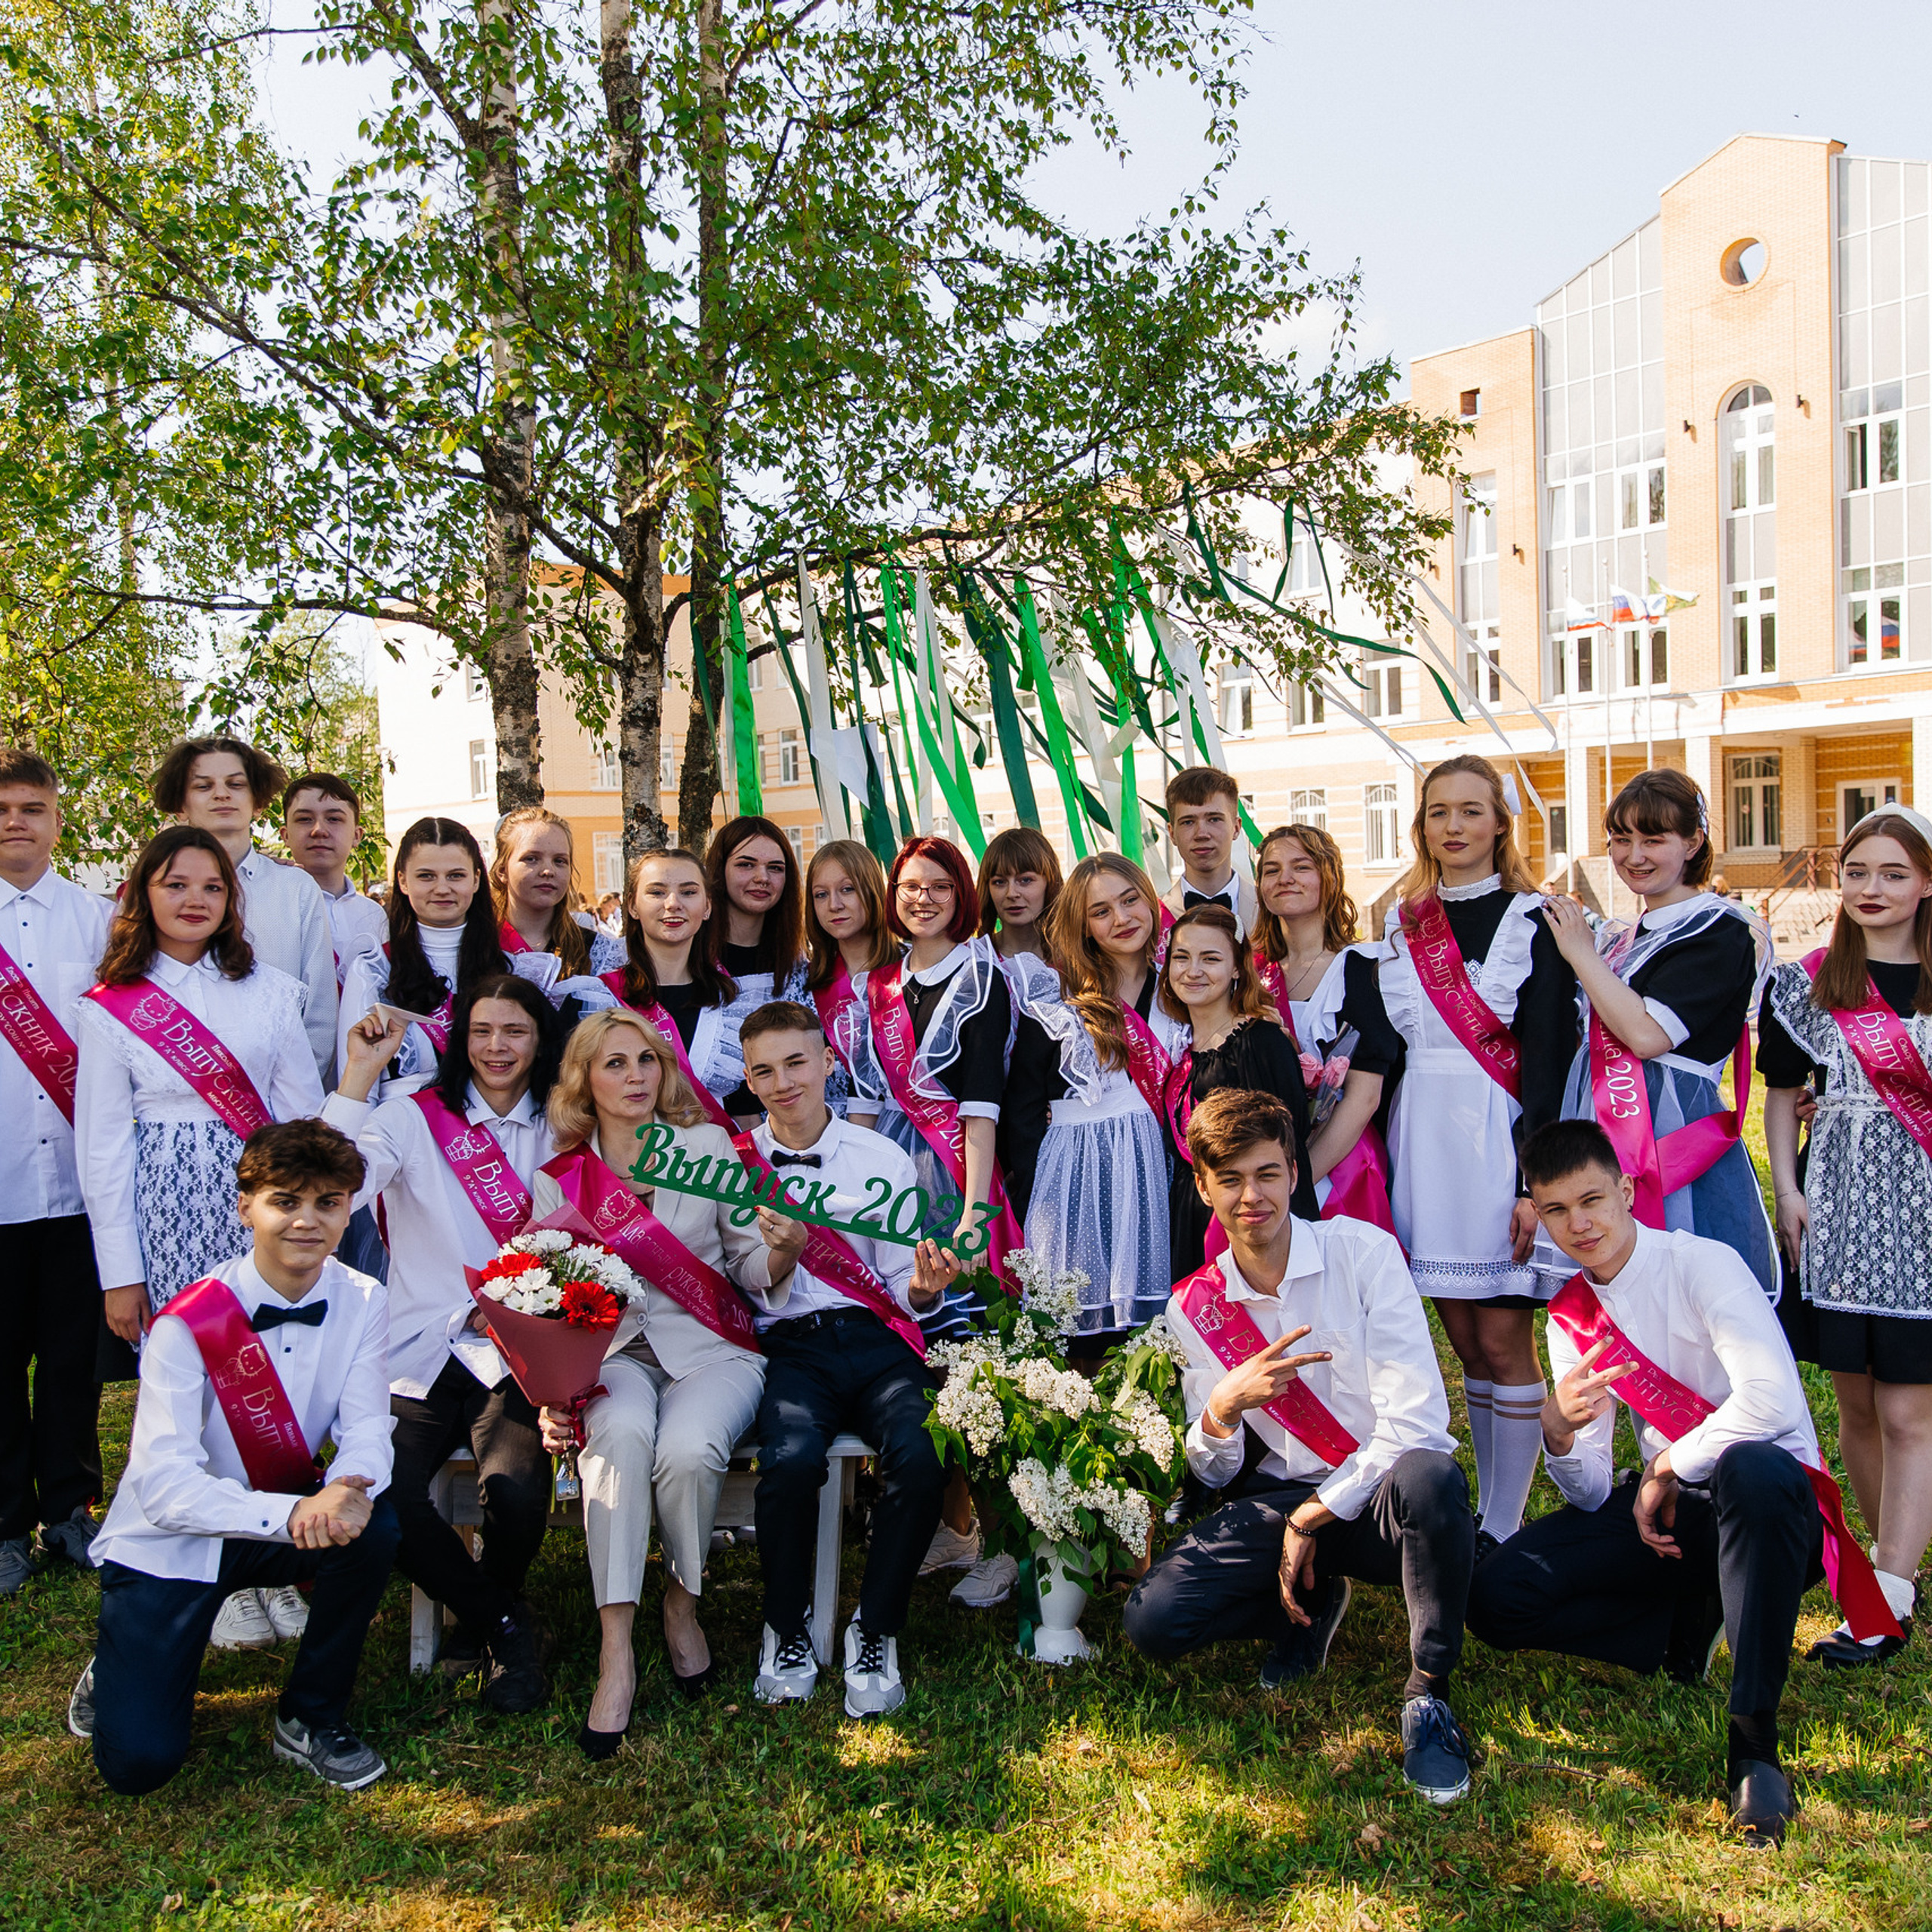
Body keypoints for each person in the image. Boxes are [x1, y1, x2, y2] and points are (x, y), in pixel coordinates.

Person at [1469, 1120, 1897, 1848]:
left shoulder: (1704, 1263)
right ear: (1538, 1216)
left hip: (1771, 1516)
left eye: (1593, 1201)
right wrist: (1559, 1431)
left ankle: (1753, 1743)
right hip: (1671, 1518)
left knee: (1752, 1466)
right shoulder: (1572, 1312)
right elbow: (1591, 1488)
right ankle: (1682, 1630)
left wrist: (1668, 1464)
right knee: (1497, 1597)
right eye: (1557, 1211)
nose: (1580, 1225)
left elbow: (1772, 1403)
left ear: (1627, 1191)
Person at [1122, 1090, 1476, 1807]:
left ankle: (1428, 1695)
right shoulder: (1193, 1306)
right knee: (1153, 1621)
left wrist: (1315, 1514)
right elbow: (1211, 1467)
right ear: (1203, 1186)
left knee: (1435, 1479)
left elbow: (1419, 1424)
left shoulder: (1365, 1254)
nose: (1251, 1196)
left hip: (1376, 1497)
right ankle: (1309, 1607)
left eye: (1267, 1174)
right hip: (1276, 1499)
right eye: (1230, 1180)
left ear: (1293, 1172)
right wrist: (1222, 1409)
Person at [67, 1119, 398, 1795]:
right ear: (246, 1206)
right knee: (139, 1765)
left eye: (328, 1203)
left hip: (282, 1517)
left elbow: (367, 1426)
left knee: (377, 1528)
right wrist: (299, 1511)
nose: (307, 1221)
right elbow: (164, 1489)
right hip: (173, 1541)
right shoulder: (187, 1323)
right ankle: (121, 1656)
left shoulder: (364, 1299)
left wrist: (348, 1487)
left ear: (347, 1209)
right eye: (286, 1201)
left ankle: (309, 1717)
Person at [529, 1010, 799, 1754]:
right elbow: (540, 1296)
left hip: (712, 1348)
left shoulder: (707, 1146)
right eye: (614, 1063)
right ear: (585, 1078)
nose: (635, 1077)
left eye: (646, 1060)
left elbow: (747, 1265)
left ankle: (682, 1602)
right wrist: (554, 1391)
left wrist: (784, 1252)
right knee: (616, 1433)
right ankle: (615, 1648)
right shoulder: (560, 1175)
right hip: (612, 1352)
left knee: (686, 1447)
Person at [322, 974, 562, 1713]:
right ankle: (500, 1622)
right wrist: (359, 1075)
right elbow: (332, 1184)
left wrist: (531, 1308)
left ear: (540, 1042)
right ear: (459, 1039)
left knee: (519, 1497)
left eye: (515, 1031)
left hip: (514, 1350)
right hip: (417, 1347)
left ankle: (483, 1611)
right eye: (482, 1030)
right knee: (375, 1490)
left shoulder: (564, 1123)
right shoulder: (409, 1117)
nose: (497, 1046)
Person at [736, 1001, 961, 1718]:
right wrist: (782, 1256)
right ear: (747, 1078)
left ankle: (877, 1626)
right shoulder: (733, 1164)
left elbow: (901, 1285)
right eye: (764, 1070)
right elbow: (740, 1280)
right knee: (791, 1459)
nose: (783, 1082)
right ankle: (786, 1625)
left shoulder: (881, 1158)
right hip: (789, 1344)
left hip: (873, 1340)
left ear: (828, 1062)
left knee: (923, 1453)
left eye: (796, 1062)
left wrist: (923, 1292)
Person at [1377, 754, 1578, 1546]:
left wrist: (1537, 1178)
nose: (1453, 827)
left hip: (1499, 1139)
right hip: (1423, 1140)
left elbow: (1551, 1051)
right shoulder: (1402, 922)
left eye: (1469, 810)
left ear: (1500, 821)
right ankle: (1492, 1510)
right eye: (1437, 812)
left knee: (1502, 1336)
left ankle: (1500, 1520)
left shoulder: (1537, 918)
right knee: (1463, 1335)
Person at [1761, 805, 1932, 1664]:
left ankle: (1887, 1595)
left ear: (1926, 882)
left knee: (1909, 1406)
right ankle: (1891, 1566)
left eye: (1893, 873)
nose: (1872, 888)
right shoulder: (1808, 983)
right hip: (1832, 1208)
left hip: (1922, 1215)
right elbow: (1784, 1095)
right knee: (1855, 1400)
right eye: (1858, 871)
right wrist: (1786, 1189)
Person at [1535, 769, 1776, 1299]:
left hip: (1670, 1131)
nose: (1634, 856)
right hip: (1603, 1121)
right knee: (1614, 1288)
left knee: (1679, 1289)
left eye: (1653, 839)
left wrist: (1579, 952)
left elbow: (1647, 1036)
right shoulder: (1625, 935)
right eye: (1621, 840)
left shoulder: (1720, 928)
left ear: (1692, 842)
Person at [0, 749, 112, 1595]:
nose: (16, 822)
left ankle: (71, 1508)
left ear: (57, 820)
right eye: (3, 809)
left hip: (79, 1186)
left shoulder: (99, 920)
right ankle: (6, 1523)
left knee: (73, 1357)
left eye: (32, 808)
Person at [1003, 853, 1183, 1355]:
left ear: (1150, 901)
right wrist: (1045, 1191)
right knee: (1079, 1335)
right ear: (1083, 926)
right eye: (1101, 911)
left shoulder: (1185, 978)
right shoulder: (1058, 997)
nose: (1122, 919)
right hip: (1080, 1184)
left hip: (1169, 1178)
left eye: (1130, 901)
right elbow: (1024, 1105)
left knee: (1166, 1330)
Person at [152, 735, 337, 1084]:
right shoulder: (155, 891)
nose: (221, 794)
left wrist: (293, 1099)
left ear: (258, 802)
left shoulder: (295, 890)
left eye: (236, 784)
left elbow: (319, 1013)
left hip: (281, 1103)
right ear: (181, 805)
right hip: (182, 1092)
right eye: (203, 786)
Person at [1251, 822, 1401, 1236]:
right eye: (1271, 869)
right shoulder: (1253, 973)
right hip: (1267, 1159)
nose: (1285, 878)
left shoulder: (1360, 968)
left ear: (1328, 878)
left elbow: (1364, 1096)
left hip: (1342, 1163)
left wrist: (1299, 1182)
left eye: (1301, 867)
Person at [1159, 903, 1318, 1278]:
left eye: (1210, 958)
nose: (1192, 971)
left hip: (1251, 1220)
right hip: (1190, 1216)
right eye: (1181, 958)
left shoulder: (1260, 1042)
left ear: (1235, 968)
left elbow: (1290, 1145)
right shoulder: (1177, 1048)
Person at [337, 818, 513, 1100]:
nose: (442, 888)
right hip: (397, 1136)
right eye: (426, 876)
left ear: (477, 879)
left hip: (494, 1137)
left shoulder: (511, 967)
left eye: (456, 875)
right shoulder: (374, 970)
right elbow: (357, 1089)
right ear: (403, 881)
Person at [605, 848, 743, 1122]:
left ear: (707, 906)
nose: (672, 903)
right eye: (656, 892)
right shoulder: (598, 1000)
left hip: (712, 1162)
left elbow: (746, 1115)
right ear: (632, 906)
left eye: (689, 892)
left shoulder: (734, 1005)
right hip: (629, 1161)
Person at [703, 814, 811, 1119]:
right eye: (746, 864)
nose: (762, 877)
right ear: (719, 870)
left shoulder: (797, 969)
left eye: (775, 868)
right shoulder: (687, 959)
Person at [804, 838, 897, 1098]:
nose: (834, 905)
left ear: (871, 890)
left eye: (847, 889)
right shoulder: (804, 983)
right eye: (821, 895)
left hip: (910, 1127)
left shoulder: (913, 967)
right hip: (835, 1129)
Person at [281, 774, 388, 991]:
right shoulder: (268, 908)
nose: (319, 830)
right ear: (285, 835)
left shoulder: (374, 916)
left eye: (334, 819)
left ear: (357, 835)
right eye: (304, 819)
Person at [1161, 767, 1258, 936]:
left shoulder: (1271, 911)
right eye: (1188, 822)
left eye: (1214, 819)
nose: (1202, 834)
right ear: (1172, 833)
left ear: (1236, 828)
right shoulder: (1155, 917)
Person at [975, 827, 1063, 961]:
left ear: (1050, 883)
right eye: (999, 882)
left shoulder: (1078, 963)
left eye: (1025, 880)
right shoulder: (972, 960)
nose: (1011, 893)